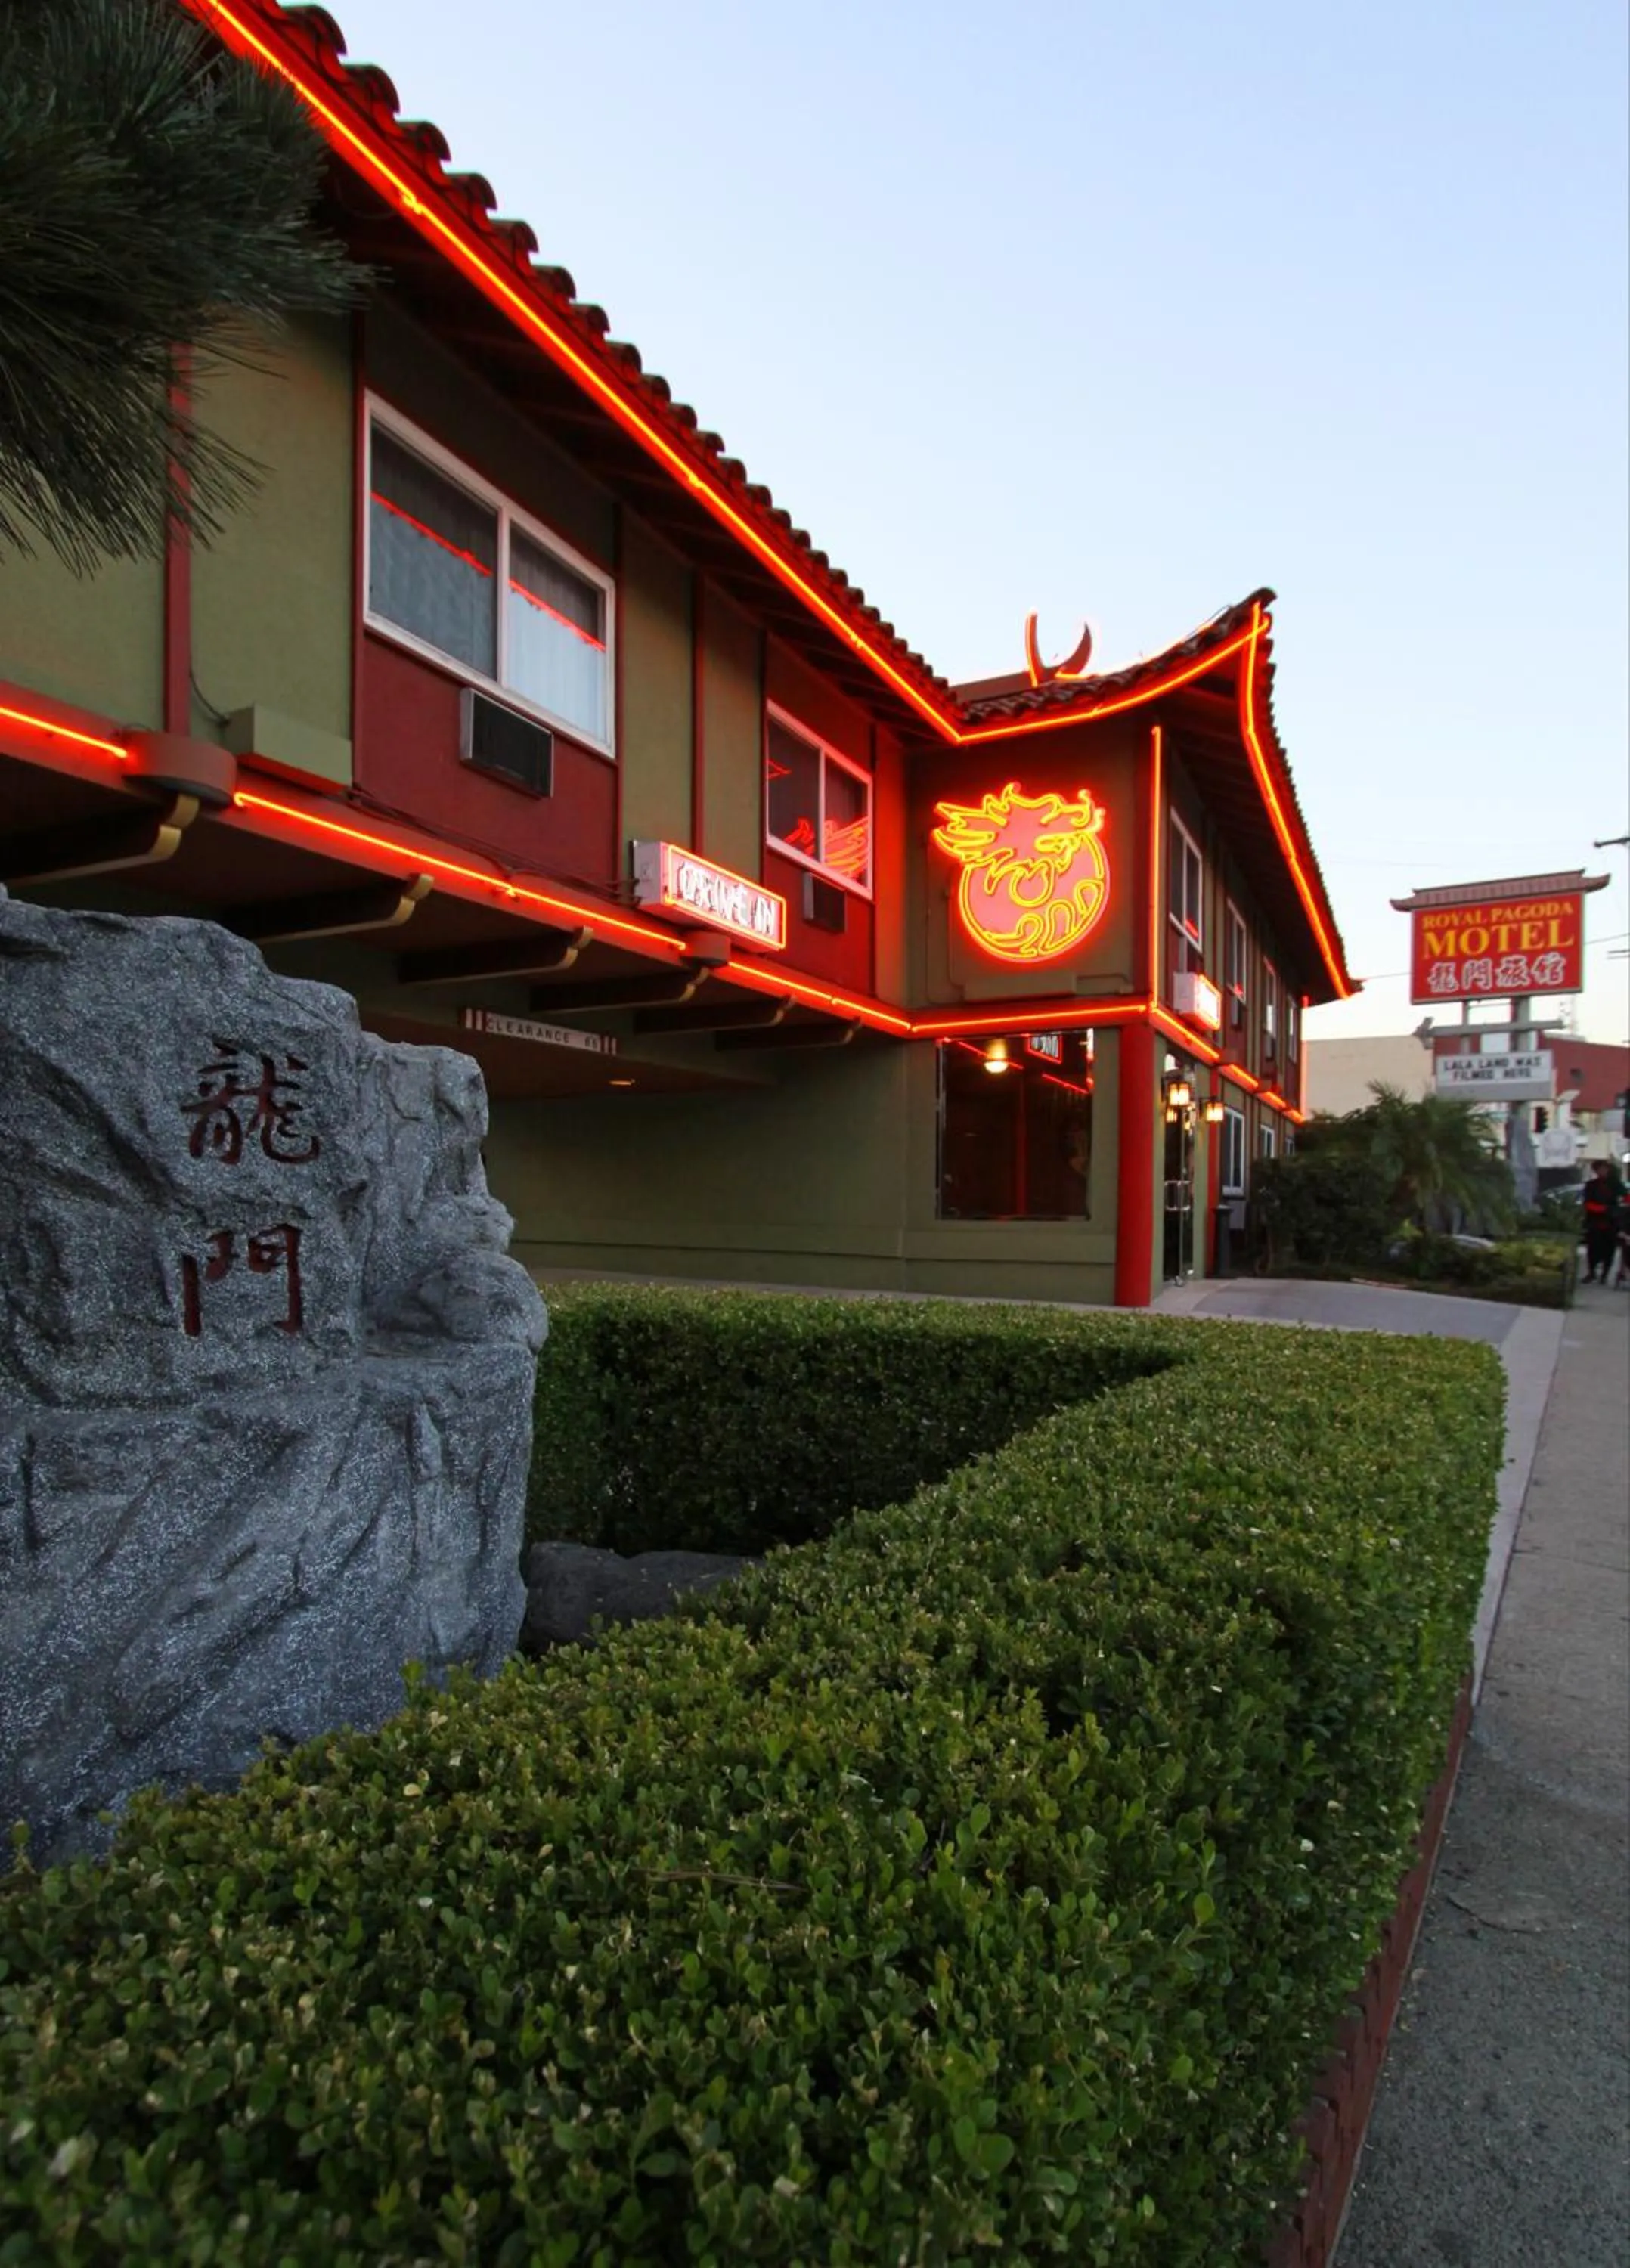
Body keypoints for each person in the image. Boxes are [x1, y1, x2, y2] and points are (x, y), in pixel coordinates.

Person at [1580, 1157, 1624, 1283]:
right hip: (1595, 1221)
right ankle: (1592, 1272)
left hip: (1611, 1222)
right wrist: (1601, 1209)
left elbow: (1625, 1197)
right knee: (1593, 1248)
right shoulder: (1591, 1185)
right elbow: (1587, 1203)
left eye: (1604, 1169)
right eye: (1599, 1169)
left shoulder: (1615, 1184)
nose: (1602, 1171)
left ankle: (1605, 1274)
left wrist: (1619, 1208)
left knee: (1609, 1249)